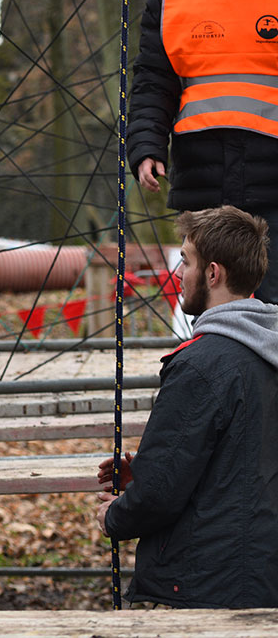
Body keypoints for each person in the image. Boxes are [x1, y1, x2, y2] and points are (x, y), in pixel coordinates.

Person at [95, 206, 278, 608]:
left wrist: (117, 516)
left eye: (187, 261)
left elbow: (161, 492)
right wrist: (139, 473)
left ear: (213, 274)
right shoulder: (268, 351)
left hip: (210, 582)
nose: (180, 273)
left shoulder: (201, 364)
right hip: (263, 571)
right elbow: (239, 462)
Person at [126, 0, 278, 303]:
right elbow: (153, 82)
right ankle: (211, 358)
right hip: (203, 177)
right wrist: (146, 146)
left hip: (274, 177)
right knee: (206, 299)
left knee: (275, 300)